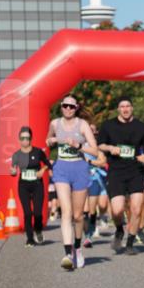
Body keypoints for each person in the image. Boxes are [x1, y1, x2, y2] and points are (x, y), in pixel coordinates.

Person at [96, 97, 144, 256]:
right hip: (116, 171)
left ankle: (130, 243)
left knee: (136, 210)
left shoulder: (141, 126)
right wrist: (110, 148)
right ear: (118, 109)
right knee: (117, 210)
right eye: (122, 106)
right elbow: (100, 144)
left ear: (132, 108)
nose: (125, 109)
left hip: (136, 170)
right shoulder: (108, 125)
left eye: (128, 106)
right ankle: (119, 230)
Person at [46, 94, 99, 270]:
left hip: (80, 169)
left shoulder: (82, 125)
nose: (68, 109)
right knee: (66, 212)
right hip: (62, 168)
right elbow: (48, 139)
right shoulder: (54, 123)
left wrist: (78, 146)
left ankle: (77, 248)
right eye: (65, 105)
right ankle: (67, 253)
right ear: (61, 106)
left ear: (76, 108)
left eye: (71, 106)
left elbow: (95, 151)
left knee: (78, 216)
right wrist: (51, 141)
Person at [9, 126, 53, 246]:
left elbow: (48, 164)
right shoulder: (16, 155)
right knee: (27, 213)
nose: (25, 141)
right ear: (19, 139)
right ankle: (29, 238)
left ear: (31, 139)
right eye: (22, 138)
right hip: (23, 185)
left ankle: (38, 230)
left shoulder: (38, 152)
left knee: (38, 213)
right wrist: (12, 171)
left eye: (27, 138)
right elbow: (13, 171)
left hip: (37, 184)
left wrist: (43, 170)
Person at [82, 123, 109, 248]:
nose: (90, 132)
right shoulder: (79, 145)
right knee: (84, 211)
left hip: (93, 180)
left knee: (92, 210)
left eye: (92, 130)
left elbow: (103, 161)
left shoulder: (97, 147)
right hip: (80, 180)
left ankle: (89, 236)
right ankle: (86, 234)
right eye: (88, 130)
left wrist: (90, 162)